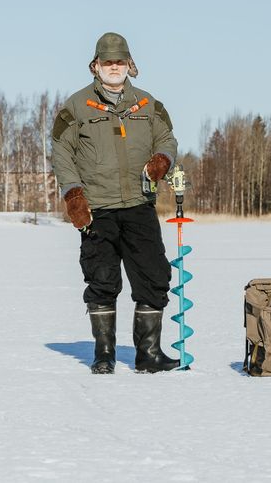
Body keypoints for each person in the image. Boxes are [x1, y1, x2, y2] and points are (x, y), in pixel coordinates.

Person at [51, 32, 181, 374]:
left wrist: (163, 159)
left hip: (139, 205)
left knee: (154, 277)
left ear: (129, 65)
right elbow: (62, 152)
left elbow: (167, 138)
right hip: (98, 208)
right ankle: (104, 354)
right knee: (102, 279)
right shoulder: (76, 107)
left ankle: (148, 354)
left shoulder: (148, 104)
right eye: (107, 62)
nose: (113, 67)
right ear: (95, 66)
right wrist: (73, 193)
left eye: (119, 62)